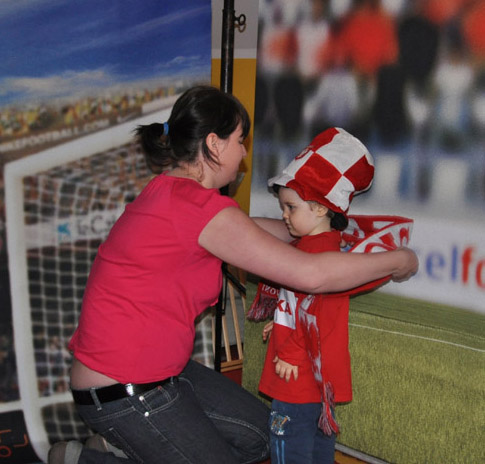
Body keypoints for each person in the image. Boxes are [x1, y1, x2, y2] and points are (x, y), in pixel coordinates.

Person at [48, 86, 418, 464]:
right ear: (214, 143)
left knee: (262, 437)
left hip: (161, 372)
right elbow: (310, 275)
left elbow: (254, 230)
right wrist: (397, 260)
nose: (243, 153)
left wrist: (326, 228)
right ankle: (90, 459)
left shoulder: (176, 192)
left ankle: (129, 447)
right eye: (240, 140)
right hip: (122, 389)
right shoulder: (197, 208)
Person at [257, 127, 397, 463]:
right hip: (313, 376)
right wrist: (279, 323)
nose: (284, 215)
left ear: (321, 209)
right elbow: (298, 303)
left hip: (298, 376)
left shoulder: (318, 255)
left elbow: (318, 310)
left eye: (291, 207)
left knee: (288, 445)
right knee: (319, 445)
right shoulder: (317, 248)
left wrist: (291, 350)